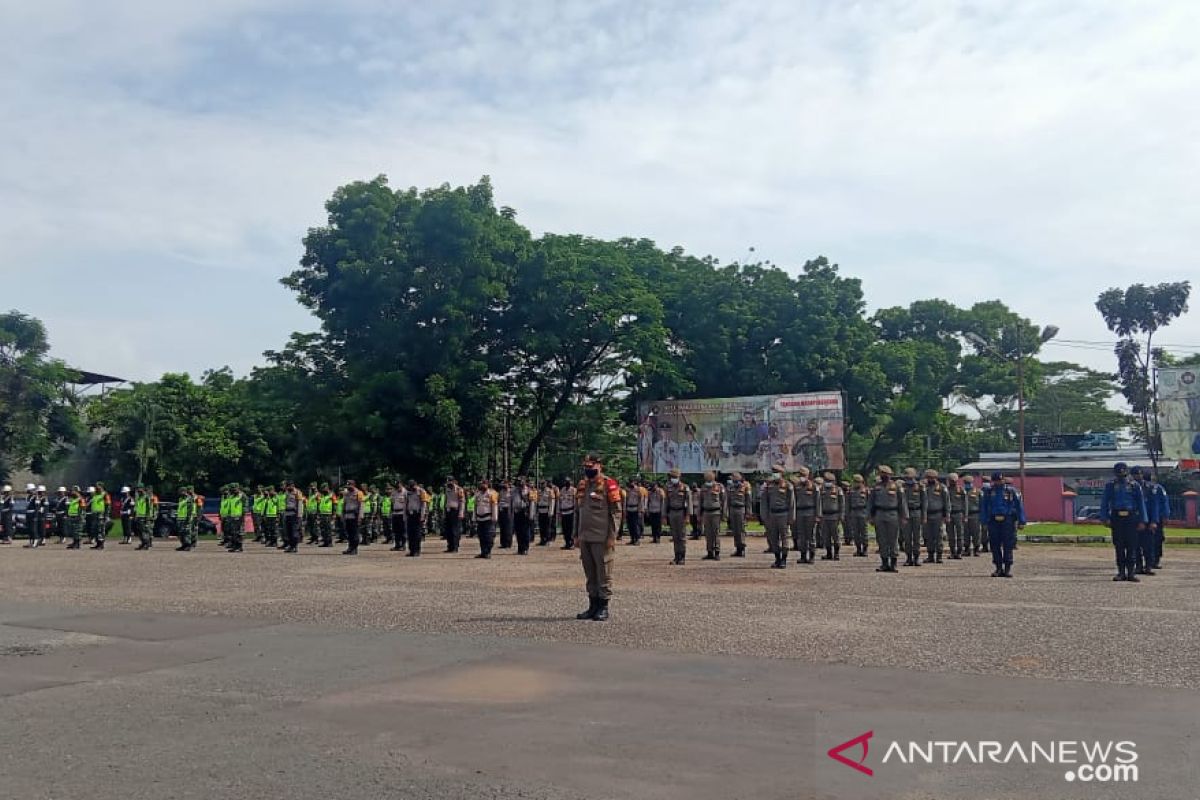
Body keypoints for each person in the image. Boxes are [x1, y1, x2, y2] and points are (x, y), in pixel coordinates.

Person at [575, 454, 621, 622]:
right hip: (585, 536)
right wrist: (576, 534)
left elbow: (616, 512)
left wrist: (612, 535)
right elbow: (578, 512)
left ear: (600, 466)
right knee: (590, 573)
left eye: (591, 467)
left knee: (604, 573)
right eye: (586, 467)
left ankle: (603, 606)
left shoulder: (609, 484)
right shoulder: (582, 485)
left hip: (602, 537)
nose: (589, 471)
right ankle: (592, 605)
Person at [1099, 462, 1146, 582]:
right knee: (1119, 546)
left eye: (1123, 472)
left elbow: (1141, 504)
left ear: (1127, 472)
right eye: (1119, 472)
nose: (1121, 474)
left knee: (1132, 546)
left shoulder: (1134, 485)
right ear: (1115, 473)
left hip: (1131, 517)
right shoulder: (1111, 485)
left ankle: (1131, 573)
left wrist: (1143, 520)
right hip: (1117, 517)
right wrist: (1104, 518)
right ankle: (1121, 572)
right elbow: (1105, 502)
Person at [982, 470, 1025, 578]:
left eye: (999, 480)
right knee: (994, 544)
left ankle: (1007, 568)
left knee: (1008, 544)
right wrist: (984, 521)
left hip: (1007, 520)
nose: (997, 483)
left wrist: (1021, 521)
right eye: (995, 481)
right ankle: (998, 568)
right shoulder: (989, 491)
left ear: (1003, 480)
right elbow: (984, 507)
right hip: (993, 520)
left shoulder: (1011, 491)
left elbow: (1019, 506)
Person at [867, 466, 905, 572]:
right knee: (881, 540)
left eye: (886, 474)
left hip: (893, 514)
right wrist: (870, 516)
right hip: (879, 514)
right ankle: (884, 563)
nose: (884, 476)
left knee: (893, 540)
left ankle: (893, 563)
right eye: (882, 474)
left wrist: (904, 516)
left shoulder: (897, 487)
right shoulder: (876, 487)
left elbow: (902, 503)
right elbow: (870, 503)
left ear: (890, 475)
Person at [1131, 467, 1164, 575]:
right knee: (1135, 545)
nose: (1137, 477)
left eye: (1139, 474)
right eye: (1135, 475)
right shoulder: (1130, 487)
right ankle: (1138, 566)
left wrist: (1154, 521)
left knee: (1148, 545)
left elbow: (1155, 506)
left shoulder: (1150, 488)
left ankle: (1148, 566)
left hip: (1149, 520)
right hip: (1134, 520)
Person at [760, 466, 794, 568]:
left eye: (777, 472)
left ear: (781, 473)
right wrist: (765, 516)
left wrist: (791, 517)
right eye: (773, 472)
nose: (774, 474)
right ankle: (777, 559)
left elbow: (791, 503)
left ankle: (784, 559)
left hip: (783, 514)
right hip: (772, 515)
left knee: (784, 537)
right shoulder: (768, 486)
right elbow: (764, 502)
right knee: (773, 538)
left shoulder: (788, 486)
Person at [792, 467, 820, 564]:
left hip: (810, 512)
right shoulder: (796, 486)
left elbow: (818, 502)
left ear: (808, 476)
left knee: (811, 535)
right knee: (801, 536)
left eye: (804, 475)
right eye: (800, 475)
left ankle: (812, 556)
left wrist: (817, 515)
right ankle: (803, 556)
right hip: (800, 513)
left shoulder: (814, 486)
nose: (802, 477)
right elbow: (793, 501)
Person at [922, 469, 950, 564]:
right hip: (927, 515)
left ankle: (939, 556)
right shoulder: (924, 487)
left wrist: (947, 515)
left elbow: (947, 502)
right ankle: (930, 556)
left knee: (938, 536)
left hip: (938, 514)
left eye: (931, 478)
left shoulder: (942, 487)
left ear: (935, 478)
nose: (929, 479)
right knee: (928, 536)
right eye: (928, 478)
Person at [664, 468, 691, 565]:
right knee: (675, 536)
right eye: (672, 477)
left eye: (675, 477)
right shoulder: (668, 487)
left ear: (679, 477)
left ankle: (682, 557)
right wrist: (664, 515)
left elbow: (689, 503)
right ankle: (676, 556)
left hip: (681, 513)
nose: (673, 478)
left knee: (682, 536)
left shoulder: (685, 487)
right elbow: (666, 502)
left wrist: (688, 516)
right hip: (672, 512)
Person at [698, 470, 726, 560]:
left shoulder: (719, 487)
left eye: (710, 476)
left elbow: (724, 501)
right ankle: (709, 552)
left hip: (716, 512)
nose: (708, 477)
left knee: (715, 533)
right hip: (706, 512)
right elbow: (700, 501)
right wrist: (699, 513)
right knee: (708, 533)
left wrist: (724, 514)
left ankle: (717, 552)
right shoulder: (703, 487)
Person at [900, 468, 924, 566]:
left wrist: (924, 515)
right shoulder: (902, 487)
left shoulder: (920, 487)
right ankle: (909, 558)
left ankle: (917, 557)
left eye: (910, 477)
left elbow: (924, 502)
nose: (909, 479)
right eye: (907, 477)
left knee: (917, 537)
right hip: (906, 514)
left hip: (917, 512)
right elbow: (900, 502)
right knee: (907, 537)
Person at [818, 471, 844, 561]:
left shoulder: (838, 490)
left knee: (836, 535)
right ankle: (829, 553)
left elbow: (842, 504)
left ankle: (836, 554)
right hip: (824, 516)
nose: (827, 482)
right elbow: (819, 503)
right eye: (826, 480)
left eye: (829, 480)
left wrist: (841, 515)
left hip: (834, 516)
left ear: (834, 481)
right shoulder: (821, 489)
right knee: (826, 536)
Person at [472, 479, 499, 558]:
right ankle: (483, 552)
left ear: (487, 485)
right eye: (481, 484)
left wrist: (495, 517)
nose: (482, 486)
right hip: (480, 518)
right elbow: (475, 506)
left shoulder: (492, 493)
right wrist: (474, 517)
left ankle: (488, 552)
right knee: (481, 536)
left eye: (484, 484)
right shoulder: (477, 494)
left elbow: (494, 506)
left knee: (489, 536)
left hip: (489, 517)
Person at [726, 472, 751, 558]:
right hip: (732, 509)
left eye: (734, 477)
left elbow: (748, 500)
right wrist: (727, 511)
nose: (732, 478)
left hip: (741, 509)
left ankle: (742, 548)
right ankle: (737, 548)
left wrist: (748, 512)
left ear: (739, 477)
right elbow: (728, 500)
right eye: (732, 477)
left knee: (741, 529)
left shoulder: (745, 486)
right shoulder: (730, 486)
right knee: (735, 530)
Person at [845, 474, 870, 557]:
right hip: (854, 512)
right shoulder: (850, 491)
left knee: (864, 532)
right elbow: (847, 503)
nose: (856, 483)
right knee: (855, 532)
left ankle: (865, 549)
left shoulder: (866, 491)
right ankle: (858, 549)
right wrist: (847, 514)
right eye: (855, 481)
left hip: (863, 512)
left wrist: (869, 514)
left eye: (858, 482)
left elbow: (869, 503)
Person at [945, 473, 967, 560]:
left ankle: (959, 552)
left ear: (957, 480)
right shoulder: (946, 490)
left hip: (959, 513)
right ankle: (952, 552)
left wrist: (965, 515)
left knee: (960, 534)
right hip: (949, 514)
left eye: (954, 480)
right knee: (950, 534)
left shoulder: (961, 490)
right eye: (950, 480)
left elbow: (965, 504)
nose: (952, 482)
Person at [404, 479, 426, 555]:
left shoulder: (421, 491)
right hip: (410, 514)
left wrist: (422, 516)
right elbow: (405, 504)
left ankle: (417, 550)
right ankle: (411, 550)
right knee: (410, 533)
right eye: (410, 486)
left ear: (416, 485)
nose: (411, 488)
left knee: (417, 533)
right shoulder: (407, 492)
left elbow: (423, 505)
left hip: (418, 514)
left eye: (412, 486)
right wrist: (405, 515)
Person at [513, 477, 533, 555]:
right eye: (518, 481)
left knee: (525, 531)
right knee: (518, 531)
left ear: (524, 482)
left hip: (525, 512)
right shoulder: (514, 491)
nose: (519, 483)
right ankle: (520, 548)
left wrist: (531, 514)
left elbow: (532, 503)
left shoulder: (529, 490)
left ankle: (525, 548)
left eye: (521, 481)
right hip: (517, 511)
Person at [622, 477, 645, 545]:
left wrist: (640, 510)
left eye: (631, 481)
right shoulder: (627, 490)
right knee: (630, 525)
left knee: (636, 525)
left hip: (636, 509)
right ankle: (632, 539)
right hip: (629, 509)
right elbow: (625, 501)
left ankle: (637, 539)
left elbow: (641, 501)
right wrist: (624, 510)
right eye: (630, 481)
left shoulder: (638, 490)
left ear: (635, 482)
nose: (630, 483)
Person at [341, 482, 362, 555]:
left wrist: (360, 516)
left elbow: (361, 506)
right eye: (347, 486)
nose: (348, 487)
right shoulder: (346, 493)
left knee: (354, 533)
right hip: (347, 516)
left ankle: (354, 548)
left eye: (349, 486)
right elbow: (344, 505)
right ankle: (350, 547)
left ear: (353, 485)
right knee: (349, 533)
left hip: (354, 516)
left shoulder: (359, 493)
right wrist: (342, 515)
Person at [963, 475, 982, 557]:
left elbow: (982, 504)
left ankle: (976, 549)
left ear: (972, 483)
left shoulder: (978, 492)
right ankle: (966, 549)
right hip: (964, 515)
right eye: (966, 483)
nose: (967, 484)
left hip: (975, 514)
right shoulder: (961, 491)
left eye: (969, 483)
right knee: (965, 533)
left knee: (976, 533)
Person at [174, 485, 196, 551]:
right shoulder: (180, 499)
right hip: (180, 518)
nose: (179, 493)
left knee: (186, 532)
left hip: (186, 518)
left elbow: (190, 509)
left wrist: (188, 519)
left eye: (181, 491)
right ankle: (183, 545)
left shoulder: (189, 498)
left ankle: (188, 545)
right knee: (181, 533)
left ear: (184, 491)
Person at [536, 479, 558, 545]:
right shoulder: (538, 491)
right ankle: (542, 539)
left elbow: (552, 502)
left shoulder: (550, 491)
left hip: (547, 511)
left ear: (545, 484)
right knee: (541, 526)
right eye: (540, 484)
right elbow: (537, 501)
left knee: (547, 526)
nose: (541, 485)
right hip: (540, 511)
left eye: (543, 484)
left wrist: (551, 512)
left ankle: (548, 540)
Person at [132, 486, 154, 550]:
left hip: (144, 516)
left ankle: (146, 543)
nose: (138, 491)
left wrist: (147, 517)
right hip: (139, 516)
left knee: (144, 531)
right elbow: (137, 507)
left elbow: (148, 508)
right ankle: (143, 543)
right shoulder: (139, 498)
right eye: (138, 490)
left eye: (140, 490)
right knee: (139, 531)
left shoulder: (146, 497)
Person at [558, 478, 577, 549]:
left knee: (571, 528)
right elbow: (560, 500)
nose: (567, 483)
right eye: (566, 482)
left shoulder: (574, 490)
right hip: (563, 512)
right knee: (565, 529)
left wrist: (575, 511)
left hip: (571, 512)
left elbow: (575, 501)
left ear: (571, 482)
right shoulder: (562, 490)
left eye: (568, 482)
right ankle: (567, 543)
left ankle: (572, 543)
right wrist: (559, 511)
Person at [645, 479, 665, 544]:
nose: (653, 488)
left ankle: (658, 538)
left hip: (659, 510)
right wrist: (647, 510)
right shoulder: (649, 492)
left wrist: (663, 511)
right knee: (653, 525)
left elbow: (663, 501)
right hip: (652, 510)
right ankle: (654, 538)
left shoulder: (661, 491)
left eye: (654, 486)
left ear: (656, 486)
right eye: (652, 486)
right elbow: (648, 502)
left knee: (658, 525)